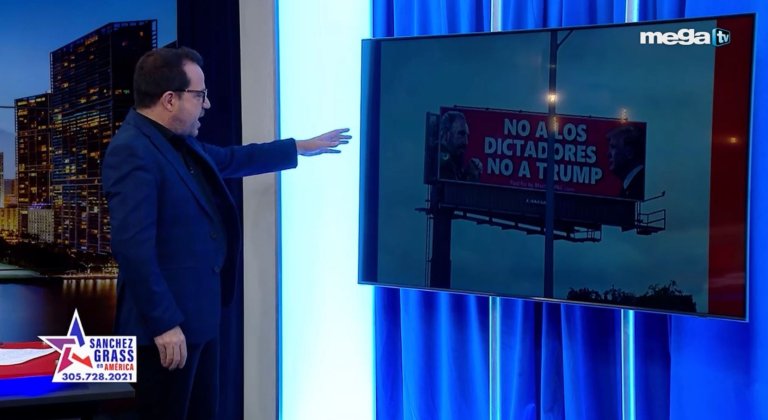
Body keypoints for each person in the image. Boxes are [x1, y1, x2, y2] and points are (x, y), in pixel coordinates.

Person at [101, 46, 349, 419]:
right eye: (199, 95)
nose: (207, 104)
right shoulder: (132, 151)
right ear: (169, 100)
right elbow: (132, 249)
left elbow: (232, 158)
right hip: (164, 334)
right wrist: (164, 323)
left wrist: (299, 147)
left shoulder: (178, 143)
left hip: (197, 322)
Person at [438, 110, 482, 181]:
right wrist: (471, 177)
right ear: (446, 134)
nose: (466, 142)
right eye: (461, 134)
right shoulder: (442, 161)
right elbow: (450, 187)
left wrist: (467, 173)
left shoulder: (455, 160)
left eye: (467, 136)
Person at [606, 124, 646, 200]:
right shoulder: (629, 187)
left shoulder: (639, 186)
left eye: (613, 147)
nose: (608, 154)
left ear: (629, 152)